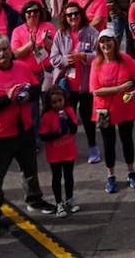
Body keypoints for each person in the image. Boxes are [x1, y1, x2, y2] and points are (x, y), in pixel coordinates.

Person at [0, 36, 55, 236]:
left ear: (11, 51)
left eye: (5, 49)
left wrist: (27, 95)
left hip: (24, 130)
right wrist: (7, 99)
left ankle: (34, 200)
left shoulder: (22, 68)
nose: (2, 54)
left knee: (30, 169)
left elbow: (36, 90)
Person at [89, 29, 135, 193]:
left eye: (108, 41)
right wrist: (119, 88)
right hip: (103, 110)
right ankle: (110, 175)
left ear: (115, 42)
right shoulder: (96, 63)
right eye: (102, 42)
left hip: (125, 107)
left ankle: (131, 171)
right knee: (108, 142)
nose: (106, 45)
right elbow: (96, 90)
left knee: (127, 139)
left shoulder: (125, 59)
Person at [49, 2, 100, 163]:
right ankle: (68, 148)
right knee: (67, 119)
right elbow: (53, 58)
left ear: (81, 15)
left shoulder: (92, 32)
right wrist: (65, 59)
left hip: (86, 85)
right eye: (69, 14)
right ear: (65, 17)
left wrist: (84, 57)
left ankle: (93, 147)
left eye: (76, 13)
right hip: (67, 86)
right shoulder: (60, 34)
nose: (73, 17)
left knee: (87, 118)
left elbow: (100, 55)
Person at [36, 88, 80, 218]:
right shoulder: (47, 116)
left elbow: (73, 129)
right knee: (56, 177)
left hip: (68, 151)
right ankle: (59, 202)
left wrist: (67, 120)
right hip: (55, 154)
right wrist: (56, 134)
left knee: (69, 176)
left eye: (60, 101)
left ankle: (70, 198)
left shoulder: (69, 111)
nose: (58, 104)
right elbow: (44, 136)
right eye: (54, 102)